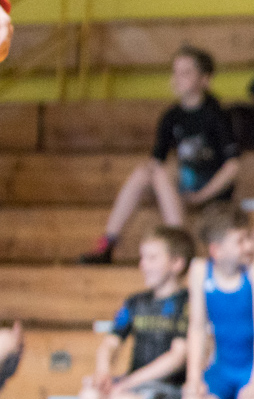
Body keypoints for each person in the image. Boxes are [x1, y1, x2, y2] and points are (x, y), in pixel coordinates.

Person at [81, 47, 240, 264]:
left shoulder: (217, 115)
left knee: (159, 173)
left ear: (205, 79)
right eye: (175, 72)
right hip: (183, 186)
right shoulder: (171, 116)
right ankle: (108, 242)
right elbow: (157, 161)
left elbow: (232, 167)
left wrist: (202, 195)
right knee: (144, 172)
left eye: (186, 73)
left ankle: (181, 245)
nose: (177, 79)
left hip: (210, 187)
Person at [78, 227, 195, 399]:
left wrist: (127, 384)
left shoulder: (188, 303)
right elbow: (111, 343)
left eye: (152, 258)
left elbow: (177, 357)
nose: (143, 265)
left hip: (169, 386)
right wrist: (103, 371)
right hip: (135, 384)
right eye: (142, 258)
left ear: (177, 263)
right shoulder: (135, 302)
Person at [179, 204, 254, 399]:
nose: (250, 246)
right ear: (217, 250)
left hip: (252, 367)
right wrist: (194, 378)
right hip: (222, 367)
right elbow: (197, 327)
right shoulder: (200, 270)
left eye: (249, 238)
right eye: (241, 241)